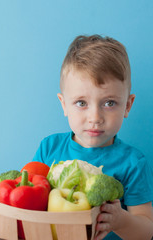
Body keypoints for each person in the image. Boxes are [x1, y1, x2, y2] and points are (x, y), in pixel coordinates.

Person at [32, 34, 153, 239]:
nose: (95, 117)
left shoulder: (133, 163)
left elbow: (147, 230)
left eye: (109, 103)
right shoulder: (48, 148)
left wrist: (121, 221)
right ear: (64, 104)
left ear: (127, 105)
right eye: (81, 103)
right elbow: (33, 206)